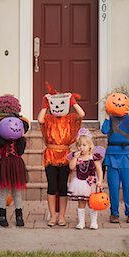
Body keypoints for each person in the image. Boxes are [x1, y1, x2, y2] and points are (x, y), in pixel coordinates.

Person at [38, 86, 85, 227]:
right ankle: (53, 216)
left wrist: (73, 102)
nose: (57, 107)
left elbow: (82, 114)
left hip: (65, 156)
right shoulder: (48, 118)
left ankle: (62, 217)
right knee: (52, 186)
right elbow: (40, 119)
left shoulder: (70, 118)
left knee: (63, 187)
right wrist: (45, 105)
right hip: (51, 156)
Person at [101, 92, 129, 223]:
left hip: (125, 155)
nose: (119, 102)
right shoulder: (110, 119)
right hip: (112, 155)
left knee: (128, 186)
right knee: (113, 187)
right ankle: (114, 213)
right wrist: (107, 116)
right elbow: (104, 130)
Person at [0, 95, 29, 228]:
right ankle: (2, 216)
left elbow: (20, 152)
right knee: (4, 192)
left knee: (16, 193)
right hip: (5, 165)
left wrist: (20, 138)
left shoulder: (21, 141)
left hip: (17, 166)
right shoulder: (2, 140)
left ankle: (19, 215)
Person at [67, 128, 104, 230]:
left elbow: (99, 170)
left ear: (90, 146)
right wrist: (75, 158)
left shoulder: (94, 157)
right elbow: (71, 167)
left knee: (92, 203)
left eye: (84, 145)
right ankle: (81, 222)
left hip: (91, 183)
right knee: (81, 203)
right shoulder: (77, 157)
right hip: (80, 183)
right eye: (79, 145)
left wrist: (100, 180)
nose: (81, 147)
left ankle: (93, 222)